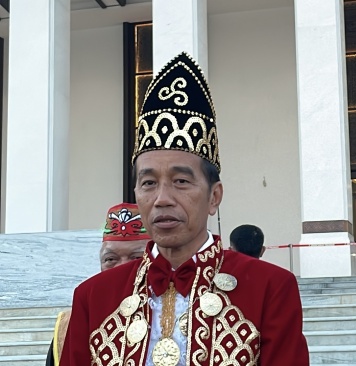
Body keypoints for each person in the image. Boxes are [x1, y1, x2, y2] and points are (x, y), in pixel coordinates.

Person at [60, 52, 309, 365]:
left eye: (180, 181)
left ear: (214, 197)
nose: (162, 198)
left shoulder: (270, 288)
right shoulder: (93, 296)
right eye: (148, 183)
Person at [45, 203, 150, 366]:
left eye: (136, 259)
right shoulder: (71, 324)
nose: (121, 269)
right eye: (110, 259)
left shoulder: (170, 311)